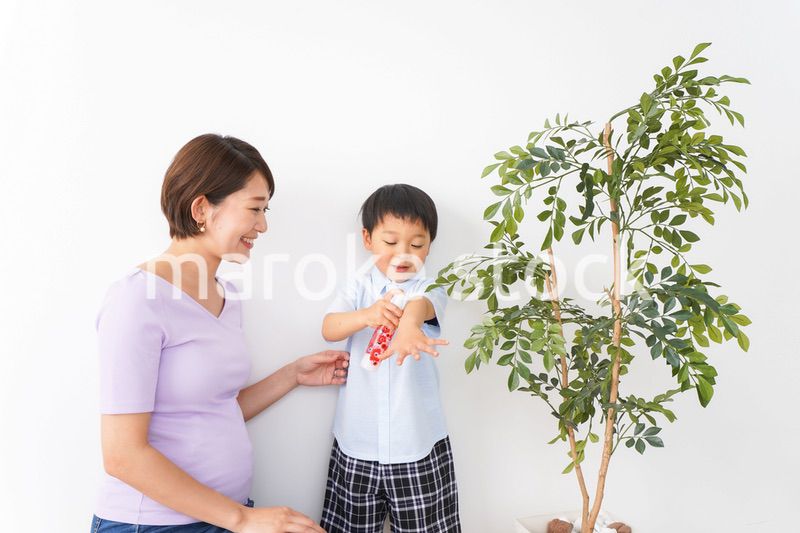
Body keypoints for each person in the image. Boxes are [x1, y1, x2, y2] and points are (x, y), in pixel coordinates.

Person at [90, 133, 349, 533]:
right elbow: (122, 454)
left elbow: (211, 410)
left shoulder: (225, 296)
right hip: (154, 525)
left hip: (221, 515)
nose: (262, 225)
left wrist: (293, 375)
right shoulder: (137, 299)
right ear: (201, 208)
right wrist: (243, 519)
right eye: (254, 209)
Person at [319, 184, 462, 532]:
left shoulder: (429, 287)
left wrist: (410, 327)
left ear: (429, 245)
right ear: (367, 239)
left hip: (416, 445)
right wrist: (366, 316)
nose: (405, 253)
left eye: (417, 244)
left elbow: (420, 307)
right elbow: (330, 327)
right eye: (391, 242)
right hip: (357, 445)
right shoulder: (358, 287)